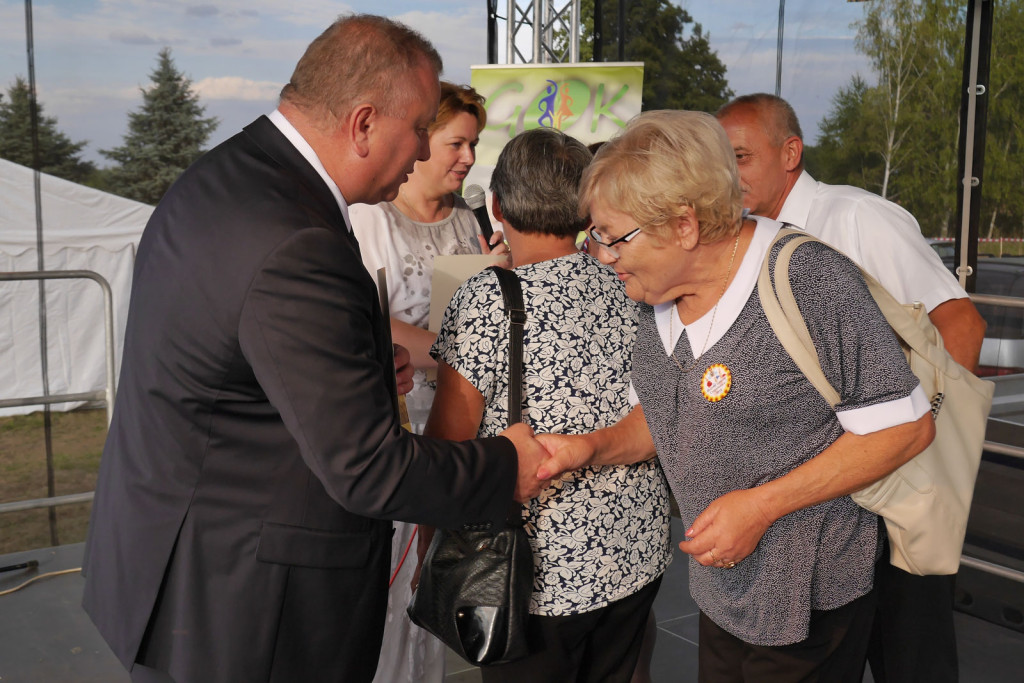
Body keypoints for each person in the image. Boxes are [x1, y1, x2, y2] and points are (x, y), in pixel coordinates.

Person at [81, 15, 549, 683]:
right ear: (363, 124)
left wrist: (359, 362)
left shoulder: (232, 174)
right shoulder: (295, 236)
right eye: (420, 127)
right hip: (244, 607)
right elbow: (368, 469)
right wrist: (505, 465)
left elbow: (237, 356)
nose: (423, 149)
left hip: (185, 559)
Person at [535, 110, 936, 682]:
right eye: (594, 236)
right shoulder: (654, 293)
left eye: (614, 237)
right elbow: (672, 416)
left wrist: (761, 506)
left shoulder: (806, 279)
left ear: (684, 226)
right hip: (722, 587)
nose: (601, 255)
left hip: (807, 599)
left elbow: (905, 426)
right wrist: (590, 448)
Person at [715, 93, 986, 683]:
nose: (727, 174)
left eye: (741, 156)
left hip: (890, 494)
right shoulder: (747, 239)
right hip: (820, 507)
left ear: (790, 153)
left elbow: (962, 324)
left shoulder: (857, 217)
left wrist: (918, 452)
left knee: (910, 658)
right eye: (720, 159)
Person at [426, 127, 672, 683]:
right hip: (636, 550)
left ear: (496, 206)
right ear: (587, 209)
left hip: (535, 576)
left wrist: (429, 550)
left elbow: (448, 448)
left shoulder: (486, 298)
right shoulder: (631, 283)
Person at [348, 81, 503, 683]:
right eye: (456, 143)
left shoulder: (469, 219)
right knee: (388, 588)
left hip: (460, 425)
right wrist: (467, 349)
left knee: (437, 579)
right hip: (395, 424)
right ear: (420, 141)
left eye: (474, 144)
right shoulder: (370, 219)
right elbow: (367, 321)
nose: (468, 157)